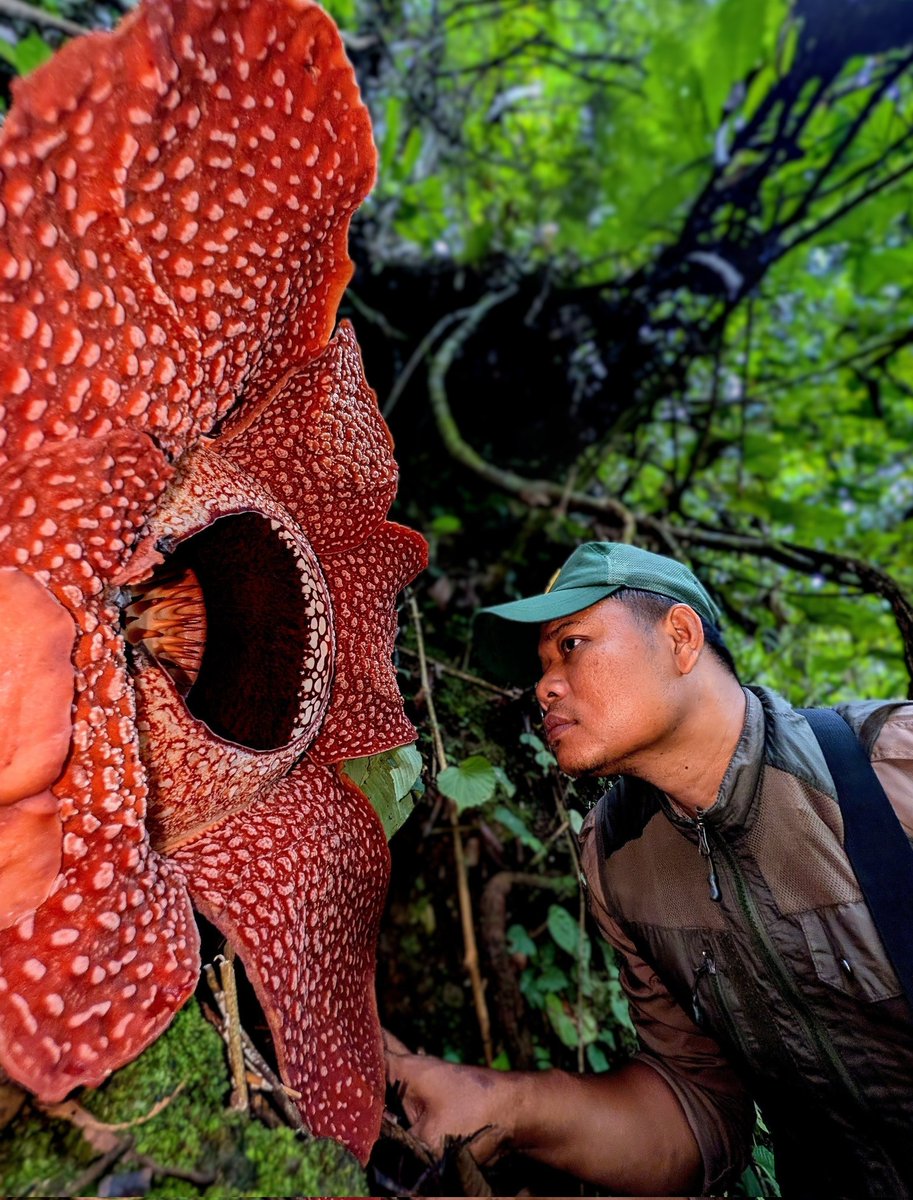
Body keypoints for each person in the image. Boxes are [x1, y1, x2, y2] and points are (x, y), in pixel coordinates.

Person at [384, 541, 913, 1198]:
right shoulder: (617, 858)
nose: (543, 684)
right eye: (540, 664)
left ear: (680, 638)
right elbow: (695, 1111)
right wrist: (505, 1103)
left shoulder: (889, 769)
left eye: (571, 645)